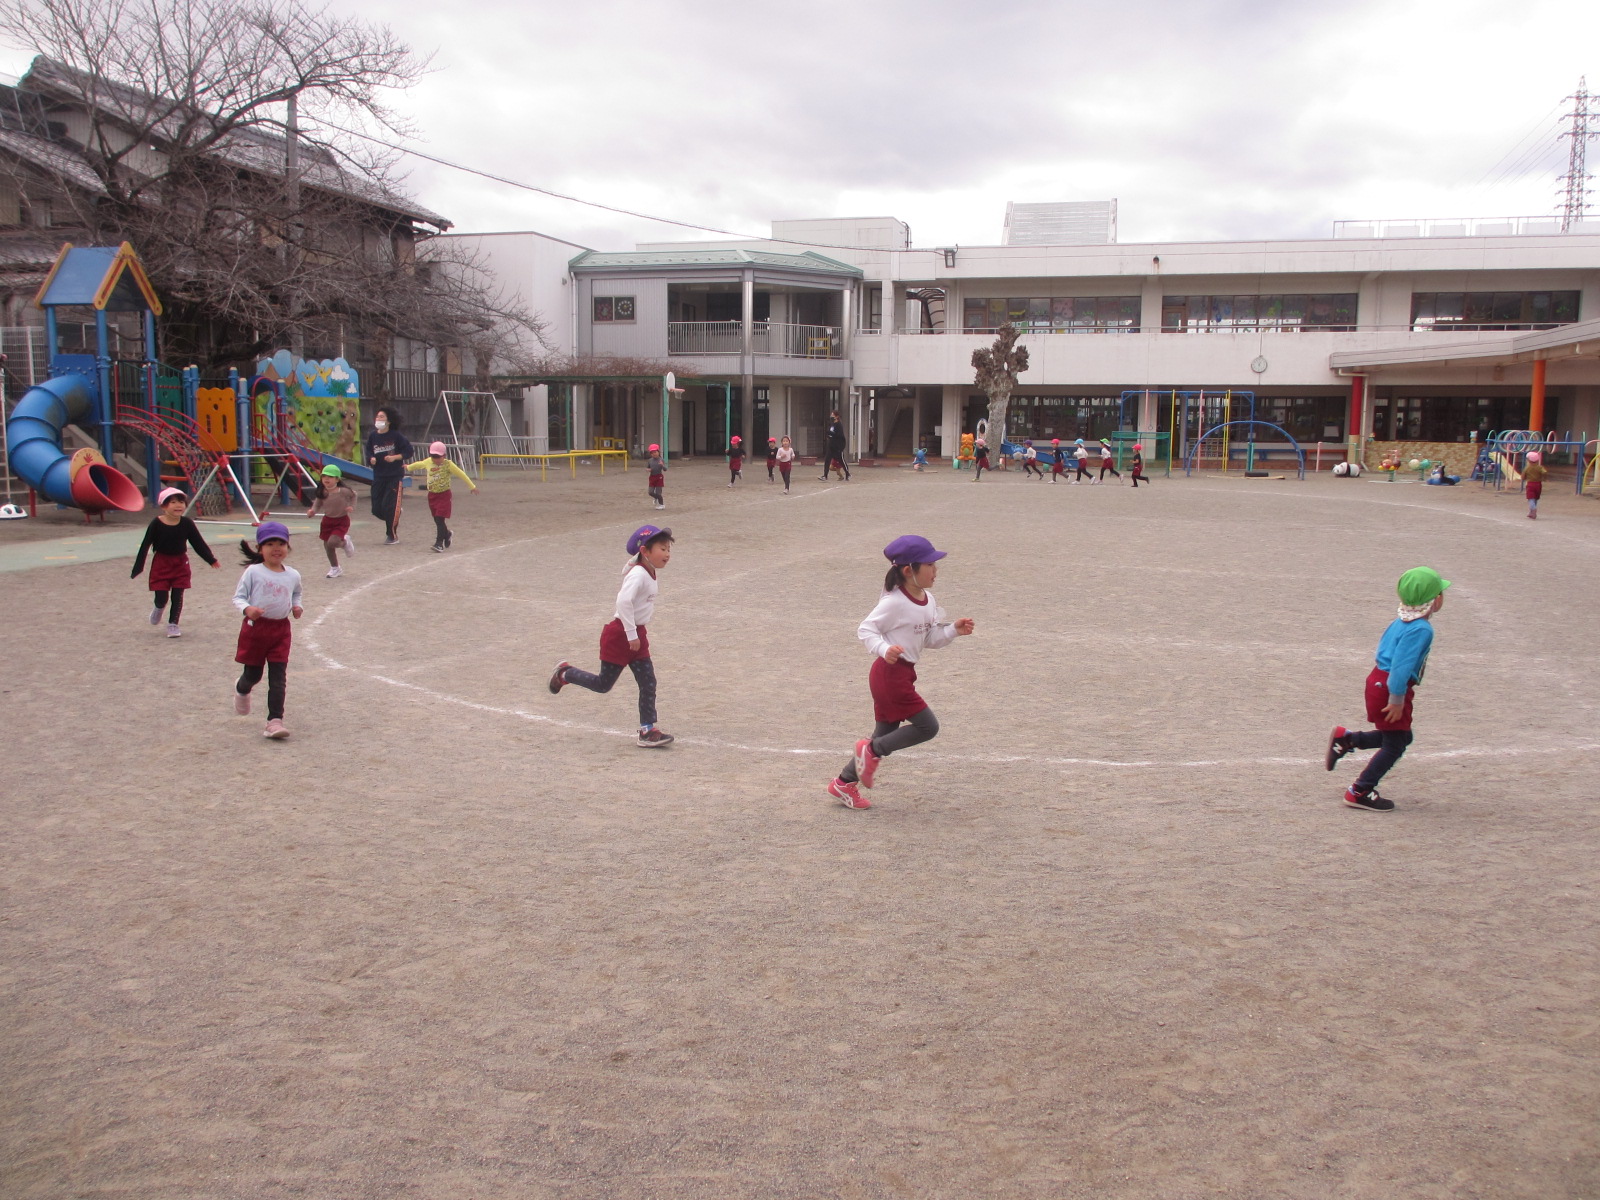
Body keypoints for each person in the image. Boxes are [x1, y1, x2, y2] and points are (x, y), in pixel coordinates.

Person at [827, 535, 975, 809]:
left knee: (885, 731)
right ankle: (871, 751)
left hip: (902, 674)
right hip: (889, 675)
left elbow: (928, 638)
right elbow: (866, 629)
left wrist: (953, 630)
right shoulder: (894, 602)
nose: (936, 570)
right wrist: (884, 649)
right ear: (909, 570)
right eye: (930, 565)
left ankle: (843, 783)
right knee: (927, 727)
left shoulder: (928, 599)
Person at [1325, 567, 1449, 811]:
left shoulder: (1402, 620)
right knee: (1395, 744)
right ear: (1434, 600)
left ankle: (1348, 740)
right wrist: (1397, 697)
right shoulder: (1422, 629)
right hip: (1390, 686)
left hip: (1378, 680)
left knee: (1402, 736)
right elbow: (1401, 667)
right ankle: (1360, 789)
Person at [548, 525, 676, 748]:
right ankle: (565, 673)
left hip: (637, 634)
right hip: (620, 635)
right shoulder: (638, 573)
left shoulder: (645, 568)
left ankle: (647, 730)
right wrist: (630, 633)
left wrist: (636, 634)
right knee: (603, 684)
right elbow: (623, 602)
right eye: (662, 549)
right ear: (645, 551)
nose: (667, 554)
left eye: (668, 549)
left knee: (648, 682)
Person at [231, 521, 303, 739]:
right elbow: (238, 597)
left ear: (288, 547)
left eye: (281, 543)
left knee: (278, 677)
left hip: (281, 631)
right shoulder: (253, 572)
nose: (276, 548)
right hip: (256, 630)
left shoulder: (292, 575)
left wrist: (297, 606)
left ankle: (274, 721)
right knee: (253, 674)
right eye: (269, 544)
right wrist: (248, 609)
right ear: (260, 548)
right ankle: (243, 688)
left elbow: (296, 594)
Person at [131, 487, 219, 636]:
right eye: (173, 502)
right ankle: (159, 607)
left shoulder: (187, 523)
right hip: (161, 562)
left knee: (178, 594)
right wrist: (138, 567)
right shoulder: (156, 524)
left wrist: (210, 559)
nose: (178, 505)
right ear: (164, 506)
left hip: (180, 563)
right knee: (162, 596)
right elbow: (146, 545)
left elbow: (198, 543)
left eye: (181, 502)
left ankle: (173, 624)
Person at [406, 441, 478, 551]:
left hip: (444, 495)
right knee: (437, 519)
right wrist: (408, 467)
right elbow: (418, 464)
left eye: (438, 457)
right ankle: (447, 534)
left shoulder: (448, 465)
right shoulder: (428, 462)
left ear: (444, 456)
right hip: (432, 495)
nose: (435, 459)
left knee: (440, 518)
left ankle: (439, 543)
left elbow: (461, 474)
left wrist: (472, 486)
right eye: (433, 456)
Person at [365, 406, 413, 544]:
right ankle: (396, 512)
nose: (378, 419)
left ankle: (392, 535)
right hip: (378, 476)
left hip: (394, 476)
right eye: (377, 417)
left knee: (389, 506)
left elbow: (409, 451)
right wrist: (371, 459)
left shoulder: (396, 436)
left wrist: (395, 457)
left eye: (382, 417)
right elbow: (368, 452)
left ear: (389, 421)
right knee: (376, 509)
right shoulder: (373, 436)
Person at [305, 464, 357, 578]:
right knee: (327, 545)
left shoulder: (343, 491)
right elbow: (317, 504)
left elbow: (354, 495)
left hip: (341, 521)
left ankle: (345, 542)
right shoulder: (322, 492)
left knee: (332, 542)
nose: (326, 479)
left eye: (330, 477)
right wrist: (312, 511)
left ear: (337, 479)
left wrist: (351, 506)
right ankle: (335, 568)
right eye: (324, 476)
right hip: (327, 521)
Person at [820, 411, 850, 481]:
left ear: (836, 416)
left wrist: (831, 433)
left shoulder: (839, 425)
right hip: (831, 445)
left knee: (841, 460)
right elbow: (830, 433)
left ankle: (847, 473)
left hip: (837, 447)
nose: (831, 417)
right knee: (827, 460)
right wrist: (828, 435)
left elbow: (839, 435)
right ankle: (825, 475)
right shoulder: (832, 424)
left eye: (833, 415)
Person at [1523, 450, 1547, 519]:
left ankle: (1533, 509)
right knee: (1535, 498)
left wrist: (1524, 478)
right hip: (1538, 484)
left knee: (1530, 498)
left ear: (1529, 460)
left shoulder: (1527, 468)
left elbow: (1523, 476)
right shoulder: (1539, 467)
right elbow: (1545, 472)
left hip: (1530, 484)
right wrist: (1544, 478)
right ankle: (1531, 512)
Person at [646, 443, 666, 509]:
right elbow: (648, 468)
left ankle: (661, 504)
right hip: (652, 477)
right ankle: (655, 497)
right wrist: (648, 470)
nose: (654, 454)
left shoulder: (661, 460)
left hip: (659, 477)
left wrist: (662, 465)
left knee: (658, 493)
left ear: (658, 452)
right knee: (650, 492)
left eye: (655, 452)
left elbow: (665, 469)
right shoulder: (650, 460)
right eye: (652, 453)